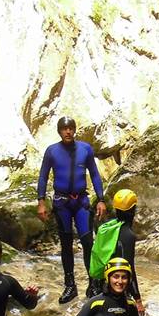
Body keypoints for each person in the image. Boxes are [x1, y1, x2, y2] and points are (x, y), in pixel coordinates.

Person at [37, 116, 107, 303]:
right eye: (64, 128)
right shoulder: (52, 151)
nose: (68, 131)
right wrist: (41, 202)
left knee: (88, 242)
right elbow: (43, 176)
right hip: (62, 202)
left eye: (71, 128)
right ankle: (70, 285)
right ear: (59, 131)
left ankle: (93, 283)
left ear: (75, 130)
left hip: (81, 201)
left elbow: (94, 174)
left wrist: (101, 199)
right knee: (66, 244)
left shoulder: (85, 149)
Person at [88, 188, 144, 313]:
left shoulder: (108, 227)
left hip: (100, 283)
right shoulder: (128, 235)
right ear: (133, 210)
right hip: (116, 288)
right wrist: (138, 299)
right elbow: (129, 268)